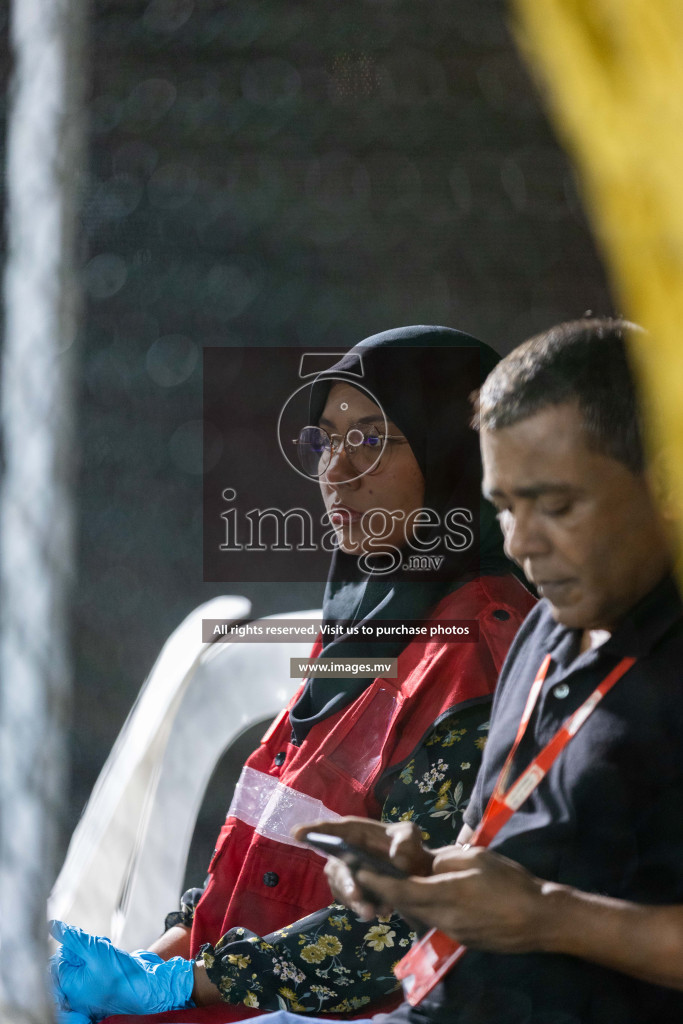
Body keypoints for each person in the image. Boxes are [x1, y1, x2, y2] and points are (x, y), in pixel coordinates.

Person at [50, 325, 534, 1024]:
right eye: (323, 441)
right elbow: (250, 873)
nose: (334, 469)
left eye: (370, 437)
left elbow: (411, 926)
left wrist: (174, 987)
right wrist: (142, 977)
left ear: (451, 452)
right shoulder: (361, 630)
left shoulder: (478, 648)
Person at [303, 318, 683, 1023]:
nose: (521, 542)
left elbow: (536, 905)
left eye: (557, 505)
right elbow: (508, 861)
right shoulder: (545, 628)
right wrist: (418, 872)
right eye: (504, 506)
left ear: (663, 480)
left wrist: (549, 918)